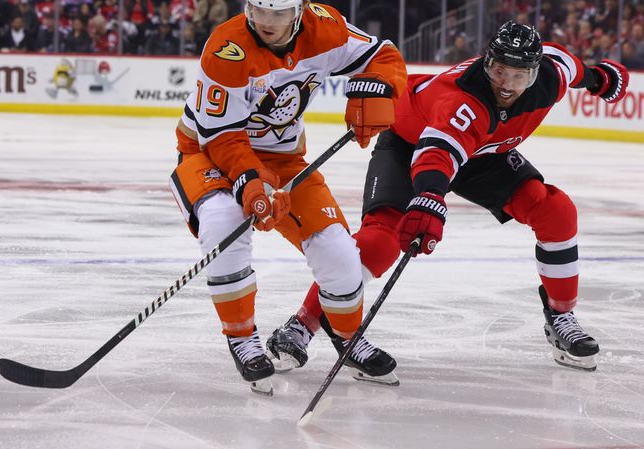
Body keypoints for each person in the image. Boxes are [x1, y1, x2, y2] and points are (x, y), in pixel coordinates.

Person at [268, 21, 630, 376]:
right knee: (380, 242)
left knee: (556, 210)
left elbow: (573, 67)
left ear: (536, 74)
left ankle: (561, 315)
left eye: (519, 77)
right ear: (486, 62)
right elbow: (436, 154)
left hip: (482, 156)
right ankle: (303, 324)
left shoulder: (553, 74)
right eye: (499, 71)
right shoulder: (462, 99)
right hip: (410, 143)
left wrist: (600, 79)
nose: (506, 84)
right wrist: (429, 197)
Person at [169, 0, 408, 394]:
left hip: (284, 161)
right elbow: (222, 137)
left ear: (298, 9)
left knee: (338, 252)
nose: (265, 20)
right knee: (225, 224)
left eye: (277, 11)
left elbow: (383, 56)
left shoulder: (326, 28)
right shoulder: (227, 47)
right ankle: (243, 339)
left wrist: (379, 88)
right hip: (210, 154)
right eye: (257, 8)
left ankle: (347, 336)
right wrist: (252, 184)